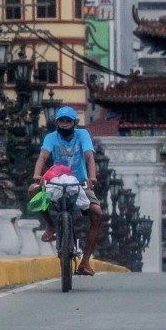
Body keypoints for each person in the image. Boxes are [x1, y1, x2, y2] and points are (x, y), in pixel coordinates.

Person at [31, 106, 103, 276]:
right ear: (56, 123)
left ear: (74, 123)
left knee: (97, 213)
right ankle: (50, 225)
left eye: (67, 121)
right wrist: (36, 175)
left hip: (79, 183)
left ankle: (84, 262)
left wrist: (92, 177)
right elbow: (43, 156)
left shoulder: (83, 135)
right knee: (32, 191)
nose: (64, 124)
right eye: (61, 121)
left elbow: (89, 157)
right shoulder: (51, 137)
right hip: (56, 180)